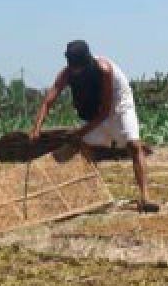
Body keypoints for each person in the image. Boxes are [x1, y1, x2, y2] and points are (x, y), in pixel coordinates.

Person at [31, 40, 156, 212]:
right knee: (86, 146)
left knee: (134, 146)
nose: (75, 70)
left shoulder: (104, 70)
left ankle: (145, 198)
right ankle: (96, 195)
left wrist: (80, 132)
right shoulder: (66, 74)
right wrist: (36, 129)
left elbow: (105, 112)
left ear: (87, 61)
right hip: (95, 108)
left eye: (78, 67)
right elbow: (48, 101)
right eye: (72, 66)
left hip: (119, 104)